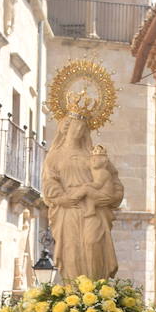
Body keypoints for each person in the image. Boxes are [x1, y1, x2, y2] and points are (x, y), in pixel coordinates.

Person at [40, 114, 123, 281]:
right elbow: (49, 181)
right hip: (69, 209)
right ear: (66, 128)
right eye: (75, 126)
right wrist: (61, 198)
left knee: (93, 244)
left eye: (82, 127)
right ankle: (73, 292)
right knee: (71, 250)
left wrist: (112, 197)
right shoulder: (55, 156)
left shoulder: (93, 154)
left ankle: (97, 288)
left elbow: (114, 181)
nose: (79, 130)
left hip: (94, 209)